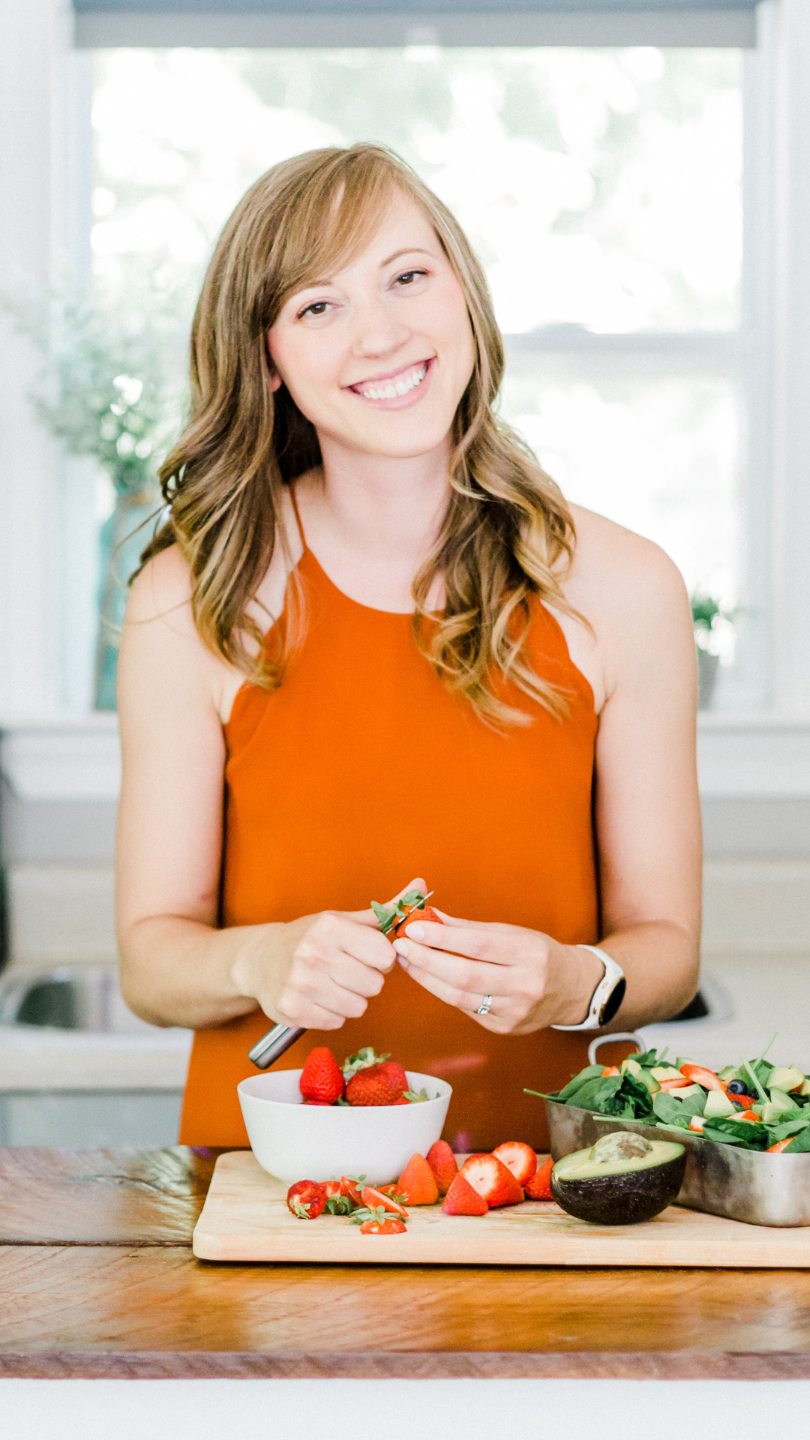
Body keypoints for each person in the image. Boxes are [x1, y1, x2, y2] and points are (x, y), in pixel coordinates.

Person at [116, 143, 701, 1152]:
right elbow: (149, 961)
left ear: (463, 293)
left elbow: (669, 949)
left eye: (406, 277)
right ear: (266, 359)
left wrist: (576, 981)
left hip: (549, 1190)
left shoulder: (627, 589)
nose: (381, 334)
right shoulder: (190, 600)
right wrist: (259, 961)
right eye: (318, 305)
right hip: (271, 1190)